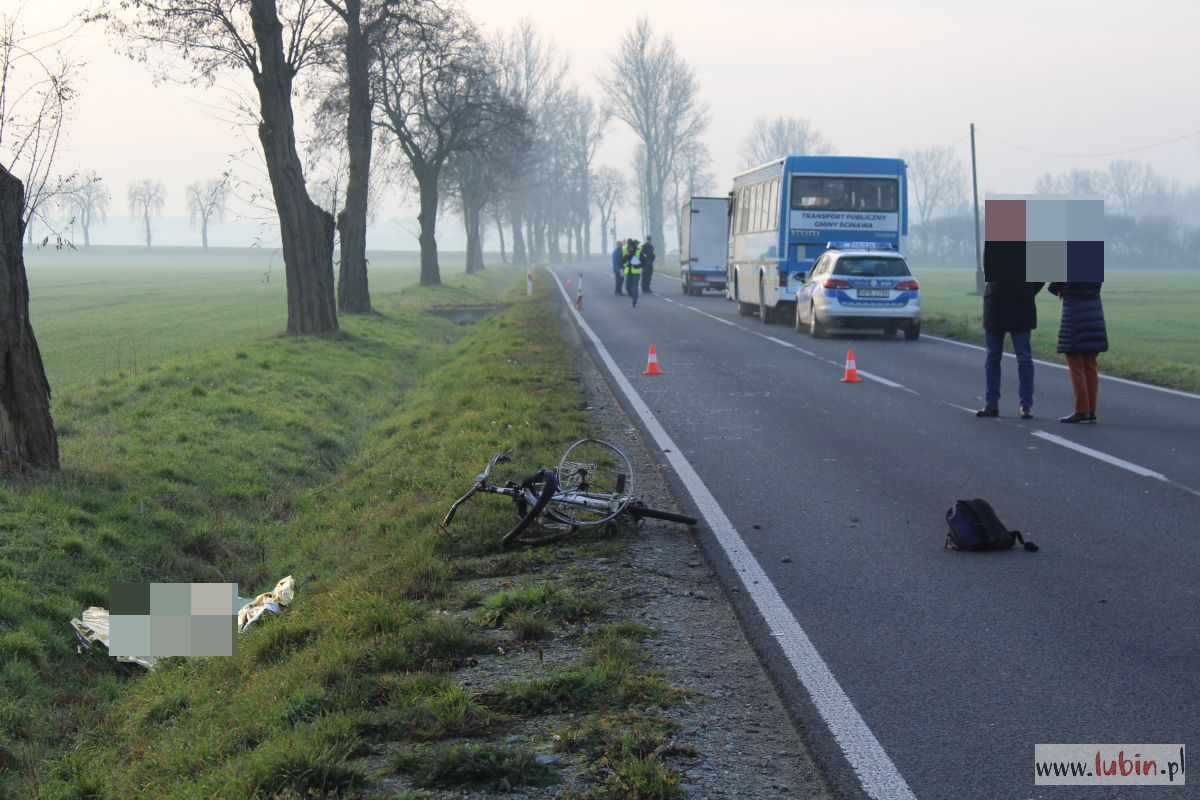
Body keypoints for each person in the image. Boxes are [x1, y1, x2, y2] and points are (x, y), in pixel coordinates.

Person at [976, 280, 1044, 419]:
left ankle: (1025, 405)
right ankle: (991, 404)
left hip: (1020, 305)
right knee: (993, 358)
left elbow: (1040, 277)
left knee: (1023, 358)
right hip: (996, 305)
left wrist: (1025, 290)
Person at [1048, 281, 1107, 423]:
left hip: (1075, 317)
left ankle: (1082, 411)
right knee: (1090, 364)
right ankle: (1091, 410)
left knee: (1076, 365)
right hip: (1094, 316)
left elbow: (1052, 287)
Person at [623, 238, 642, 307]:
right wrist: (625, 258)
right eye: (629, 247)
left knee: (635, 287)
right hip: (629, 272)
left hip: (636, 272)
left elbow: (642, 261)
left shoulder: (638, 251)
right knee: (627, 287)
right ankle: (633, 297)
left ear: (633, 247)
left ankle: (634, 301)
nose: (630, 248)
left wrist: (639, 264)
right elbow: (623, 261)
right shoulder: (626, 251)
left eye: (631, 247)